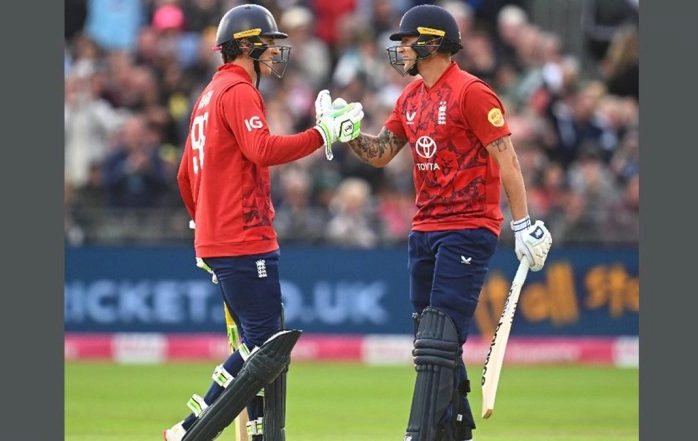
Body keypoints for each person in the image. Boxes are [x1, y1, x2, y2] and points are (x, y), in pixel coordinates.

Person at [338, 4, 552, 441]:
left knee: (439, 338)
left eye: (407, 42)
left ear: (432, 42)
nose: (401, 51)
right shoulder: (410, 97)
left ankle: (418, 434)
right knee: (431, 344)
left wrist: (523, 222)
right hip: (425, 228)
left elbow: (507, 159)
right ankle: (455, 432)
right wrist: (345, 134)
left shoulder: (472, 92)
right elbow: (382, 154)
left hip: (469, 225)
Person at [163, 4, 363, 441]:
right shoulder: (237, 90)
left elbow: (184, 174)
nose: (275, 54)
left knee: (257, 345)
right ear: (248, 47)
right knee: (265, 345)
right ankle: (191, 426)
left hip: (220, 235)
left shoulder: (209, 94)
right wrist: (322, 135)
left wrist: (203, 225)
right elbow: (262, 149)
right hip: (243, 235)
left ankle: (258, 433)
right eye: (269, 46)